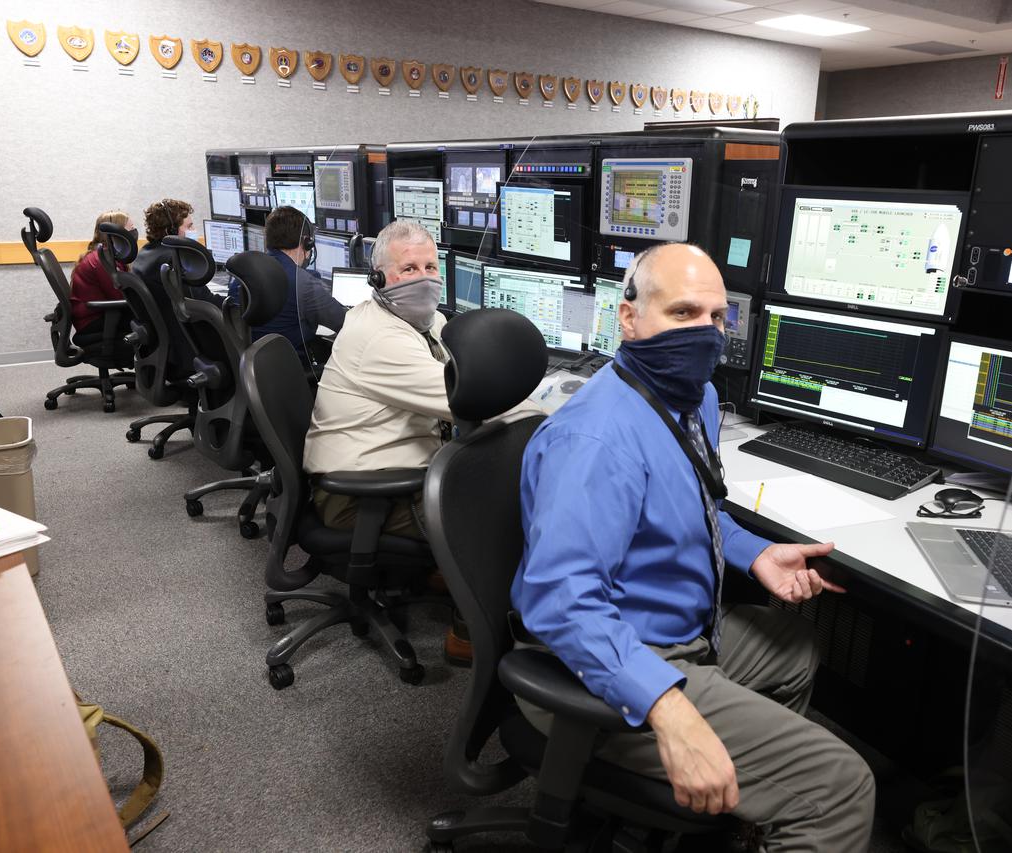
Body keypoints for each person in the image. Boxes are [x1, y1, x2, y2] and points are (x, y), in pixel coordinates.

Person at [511, 243, 876, 851]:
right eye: (683, 314)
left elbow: (694, 506)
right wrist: (669, 709)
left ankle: (742, 811)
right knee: (841, 786)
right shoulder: (595, 439)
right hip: (606, 656)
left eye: (717, 318)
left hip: (681, 629)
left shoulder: (692, 398)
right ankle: (800, 811)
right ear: (629, 320)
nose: (705, 333)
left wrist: (756, 553)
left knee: (794, 647)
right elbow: (561, 604)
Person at [303, 219, 535, 662]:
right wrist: (555, 408)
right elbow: (469, 401)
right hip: (358, 494)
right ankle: (469, 635)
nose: (425, 277)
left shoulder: (422, 323)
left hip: (390, 470)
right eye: (409, 269)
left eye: (431, 266)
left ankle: (443, 571)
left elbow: (465, 376)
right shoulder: (382, 339)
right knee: (500, 512)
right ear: (379, 279)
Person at [228, 205, 346, 369]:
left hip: (249, 373)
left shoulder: (243, 275)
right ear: (307, 242)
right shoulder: (303, 282)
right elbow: (345, 323)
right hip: (292, 375)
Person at [131, 198, 222, 373]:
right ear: (171, 230)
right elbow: (204, 301)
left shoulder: (147, 253)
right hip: (188, 345)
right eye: (189, 226)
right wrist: (236, 300)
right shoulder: (173, 259)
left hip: (169, 342)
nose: (194, 231)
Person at [70, 210, 134, 347]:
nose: (134, 233)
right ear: (116, 233)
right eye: (130, 229)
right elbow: (119, 296)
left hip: (102, 316)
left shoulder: (106, 255)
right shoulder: (101, 260)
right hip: (96, 320)